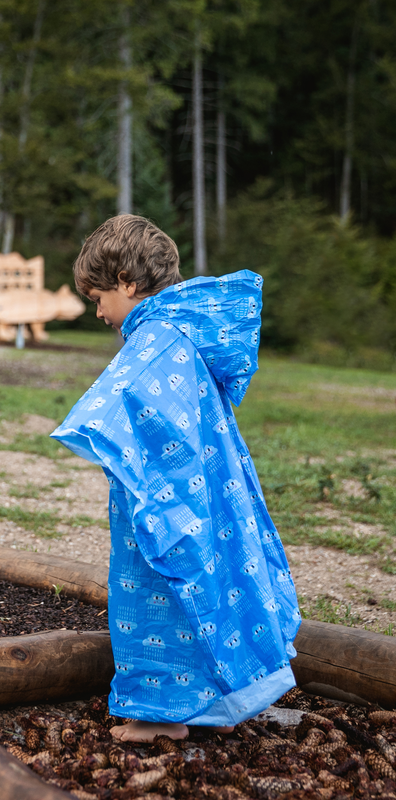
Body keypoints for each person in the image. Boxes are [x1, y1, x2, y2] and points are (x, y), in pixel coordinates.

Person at [51, 215, 300, 742]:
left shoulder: (156, 338)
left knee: (152, 593)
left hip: (164, 496)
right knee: (193, 588)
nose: (98, 313)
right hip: (193, 490)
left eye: (99, 298)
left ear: (125, 280)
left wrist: (104, 438)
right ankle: (200, 704)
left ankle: (158, 716)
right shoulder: (178, 329)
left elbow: (126, 399)